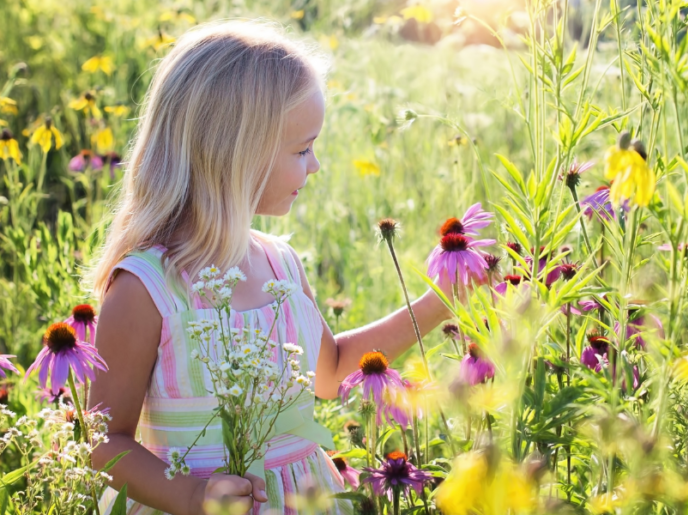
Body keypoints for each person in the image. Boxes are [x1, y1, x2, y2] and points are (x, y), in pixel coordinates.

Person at [88, 20, 457, 515]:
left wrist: (442, 300)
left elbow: (329, 374)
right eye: (303, 149)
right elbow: (103, 443)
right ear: (235, 155)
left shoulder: (279, 262)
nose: (316, 165)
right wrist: (192, 496)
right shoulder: (148, 288)